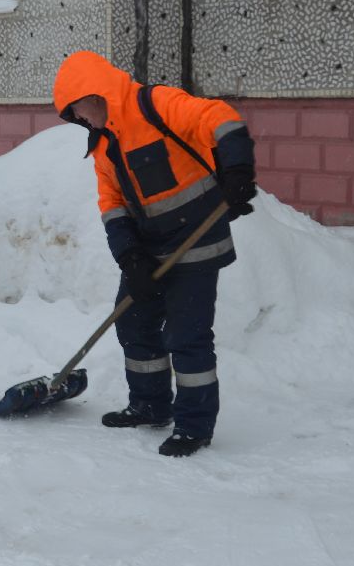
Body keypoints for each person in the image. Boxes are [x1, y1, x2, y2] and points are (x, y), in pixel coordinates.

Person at [53, 50, 258, 458]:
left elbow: (219, 117)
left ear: (93, 95)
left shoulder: (155, 105)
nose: (79, 119)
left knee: (187, 335)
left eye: (78, 110)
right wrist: (130, 256)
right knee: (134, 323)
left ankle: (194, 426)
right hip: (150, 249)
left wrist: (237, 171)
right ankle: (150, 405)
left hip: (197, 240)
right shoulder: (103, 146)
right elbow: (111, 204)